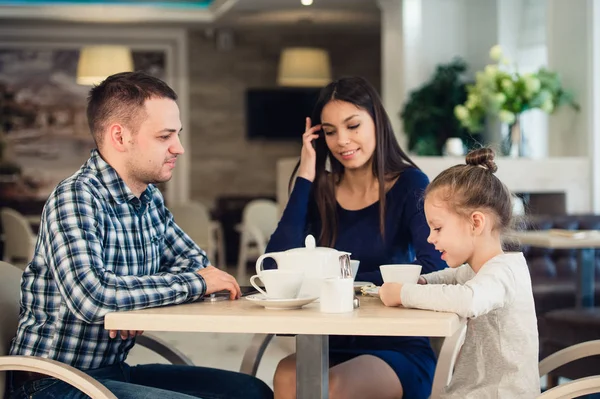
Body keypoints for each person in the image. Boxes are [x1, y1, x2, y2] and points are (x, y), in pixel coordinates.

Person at [8, 72, 273, 399]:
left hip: (110, 371)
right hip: (50, 381)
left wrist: (134, 305)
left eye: (177, 134)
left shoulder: (148, 198)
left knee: (250, 391)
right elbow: (93, 299)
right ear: (120, 137)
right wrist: (190, 285)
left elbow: (196, 263)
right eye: (165, 136)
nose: (180, 148)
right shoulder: (76, 197)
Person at [266, 76, 447, 399]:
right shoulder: (321, 188)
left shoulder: (410, 185)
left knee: (334, 388)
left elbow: (433, 266)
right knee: (285, 377)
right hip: (327, 340)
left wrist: (341, 283)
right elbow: (275, 271)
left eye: (353, 126)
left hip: (396, 344)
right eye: (331, 131)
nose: (342, 141)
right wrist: (307, 175)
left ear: (377, 122)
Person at [380, 148, 540, 398]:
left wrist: (404, 293)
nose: (430, 239)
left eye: (437, 228)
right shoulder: (480, 269)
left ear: (476, 223)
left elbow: (468, 300)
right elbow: (451, 277)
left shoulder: (503, 272)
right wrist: (421, 281)